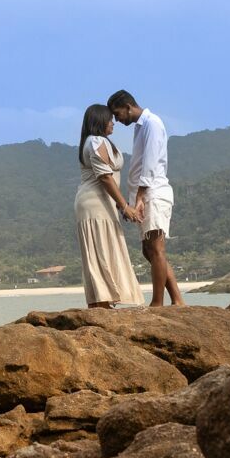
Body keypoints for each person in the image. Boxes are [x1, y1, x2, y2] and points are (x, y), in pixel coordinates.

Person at [108, 89, 184, 306]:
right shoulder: (141, 127)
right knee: (148, 250)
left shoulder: (152, 123)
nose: (117, 119)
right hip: (144, 194)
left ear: (128, 106)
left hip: (154, 193)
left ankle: (158, 302)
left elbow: (150, 164)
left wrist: (139, 199)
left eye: (117, 113)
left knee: (156, 248)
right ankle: (177, 299)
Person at [74, 103, 143, 308]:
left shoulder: (97, 141)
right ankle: (101, 301)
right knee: (101, 248)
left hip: (103, 203)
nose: (113, 122)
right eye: (109, 119)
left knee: (104, 247)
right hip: (95, 203)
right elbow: (105, 177)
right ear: (100, 121)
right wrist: (124, 206)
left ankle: (104, 300)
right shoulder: (95, 141)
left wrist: (120, 205)